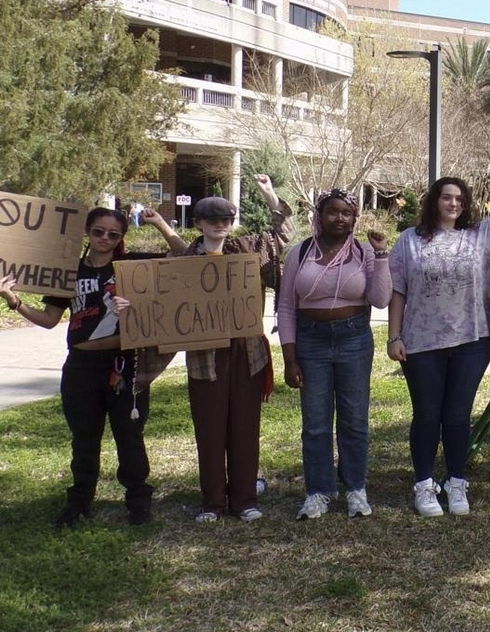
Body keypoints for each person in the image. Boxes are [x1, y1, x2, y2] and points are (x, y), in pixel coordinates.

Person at [1, 206, 183, 527]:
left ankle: (138, 500)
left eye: (114, 234)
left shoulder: (131, 265)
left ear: (121, 238)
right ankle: (80, 501)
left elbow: (182, 256)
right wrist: (13, 300)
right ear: (87, 231)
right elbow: (48, 320)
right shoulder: (67, 271)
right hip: (81, 367)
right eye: (99, 231)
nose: (105, 239)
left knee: (130, 436)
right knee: (84, 438)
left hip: (125, 365)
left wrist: (159, 224)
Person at [387, 150, 490, 517]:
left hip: (471, 340)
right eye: (447, 197)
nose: (453, 203)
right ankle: (425, 484)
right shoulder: (409, 241)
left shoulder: (480, 236)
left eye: (460, 199)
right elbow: (398, 291)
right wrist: (394, 337)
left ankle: (457, 481)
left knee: (458, 415)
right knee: (428, 414)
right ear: (434, 201)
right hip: (421, 342)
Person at [176, 175, 294, 524]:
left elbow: (282, 234)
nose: (220, 226)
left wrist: (269, 193)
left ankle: (244, 499)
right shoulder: (184, 261)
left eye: (226, 220)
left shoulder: (247, 250)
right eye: (212, 221)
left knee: (245, 428)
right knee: (209, 430)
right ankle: (212, 502)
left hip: (247, 354)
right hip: (204, 358)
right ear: (198, 224)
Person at [278, 188, 391, 521]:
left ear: (354, 219)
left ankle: (356, 487)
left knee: (354, 420)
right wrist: (290, 358)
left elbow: (381, 299)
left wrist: (381, 253)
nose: (339, 218)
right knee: (315, 423)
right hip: (310, 341)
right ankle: (318, 491)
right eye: (332, 212)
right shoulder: (299, 254)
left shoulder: (364, 252)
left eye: (346, 213)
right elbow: (285, 307)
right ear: (318, 216)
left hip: (353, 339)